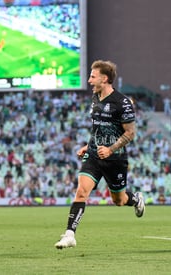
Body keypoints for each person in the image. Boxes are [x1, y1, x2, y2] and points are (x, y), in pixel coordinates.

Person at [54, 60, 145, 249]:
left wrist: (110, 149)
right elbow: (97, 128)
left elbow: (130, 133)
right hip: (94, 155)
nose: (89, 80)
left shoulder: (123, 103)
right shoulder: (95, 98)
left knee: (119, 201)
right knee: (81, 192)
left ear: (104, 79)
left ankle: (135, 199)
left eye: (92, 76)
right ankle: (70, 234)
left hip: (115, 159)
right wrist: (89, 146)